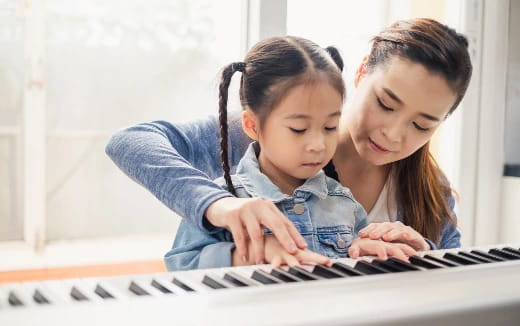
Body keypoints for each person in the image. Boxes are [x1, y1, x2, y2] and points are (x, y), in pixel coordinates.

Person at [106, 18, 472, 264]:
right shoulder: (265, 135)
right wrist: (218, 205)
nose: (393, 134)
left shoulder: (432, 192)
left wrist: (423, 255)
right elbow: (131, 141)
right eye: (385, 104)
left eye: (422, 125)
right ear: (361, 73)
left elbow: (452, 291)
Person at [162, 36, 416, 271]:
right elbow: (181, 264)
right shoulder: (223, 201)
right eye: (298, 129)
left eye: (330, 127)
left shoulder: (343, 201)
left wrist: (365, 250)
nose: (318, 144)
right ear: (252, 125)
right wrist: (251, 252)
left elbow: (353, 269)